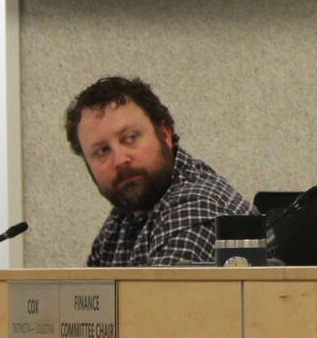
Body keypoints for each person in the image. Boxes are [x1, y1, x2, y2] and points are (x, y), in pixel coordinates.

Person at [70, 76, 266, 266]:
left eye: (130, 138)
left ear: (164, 134)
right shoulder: (120, 222)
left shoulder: (199, 207)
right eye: (102, 151)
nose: (120, 160)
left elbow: (156, 299)